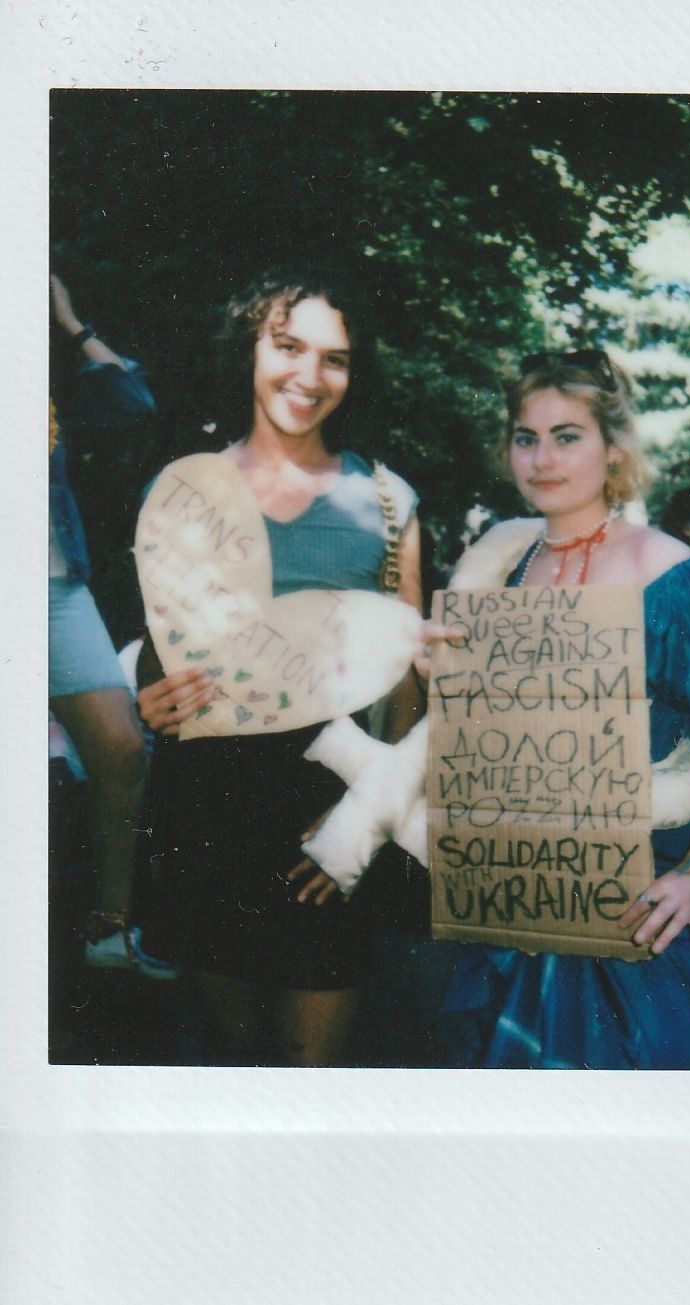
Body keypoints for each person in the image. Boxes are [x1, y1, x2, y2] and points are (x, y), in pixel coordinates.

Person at [433, 349, 690, 1070]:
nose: (542, 458)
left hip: (635, 906)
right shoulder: (503, 566)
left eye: (567, 436)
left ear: (613, 448)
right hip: (515, 901)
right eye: (526, 437)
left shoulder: (672, 573)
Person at [130, 264, 423, 1066]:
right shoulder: (184, 489)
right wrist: (147, 698)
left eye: (336, 358)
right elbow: (160, 647)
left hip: (327, 802)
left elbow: (406, 680)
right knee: (233, 1055)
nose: (310, 375)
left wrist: (366, 816)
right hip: (204, 801)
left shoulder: (389, 502)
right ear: (251, 351)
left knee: (308, 1072)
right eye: (289, 346)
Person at [49, 274, 167, 974]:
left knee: (122, 748)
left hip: (54, 587)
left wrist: (70, 323)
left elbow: (131, 403)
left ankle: (110, 927)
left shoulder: (38, 365)